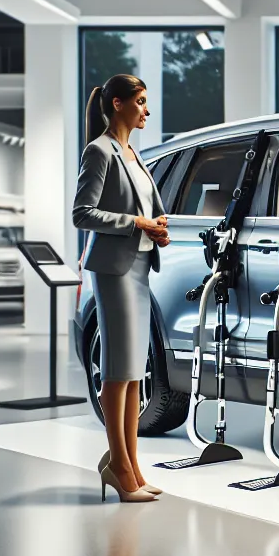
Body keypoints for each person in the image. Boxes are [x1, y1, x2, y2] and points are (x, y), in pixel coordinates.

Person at [74, 74, 171, 504]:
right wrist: (136, 224)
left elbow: (146, 209)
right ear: (118, 104)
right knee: (117, 371)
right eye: (141, 102)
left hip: (138, 266)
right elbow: (83, 213)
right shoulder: (100, 151)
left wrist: (157, 230)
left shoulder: (133, 153)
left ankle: (130, 464)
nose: (147, 111)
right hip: (113, 271)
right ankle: (119, 466)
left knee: (134, 372)